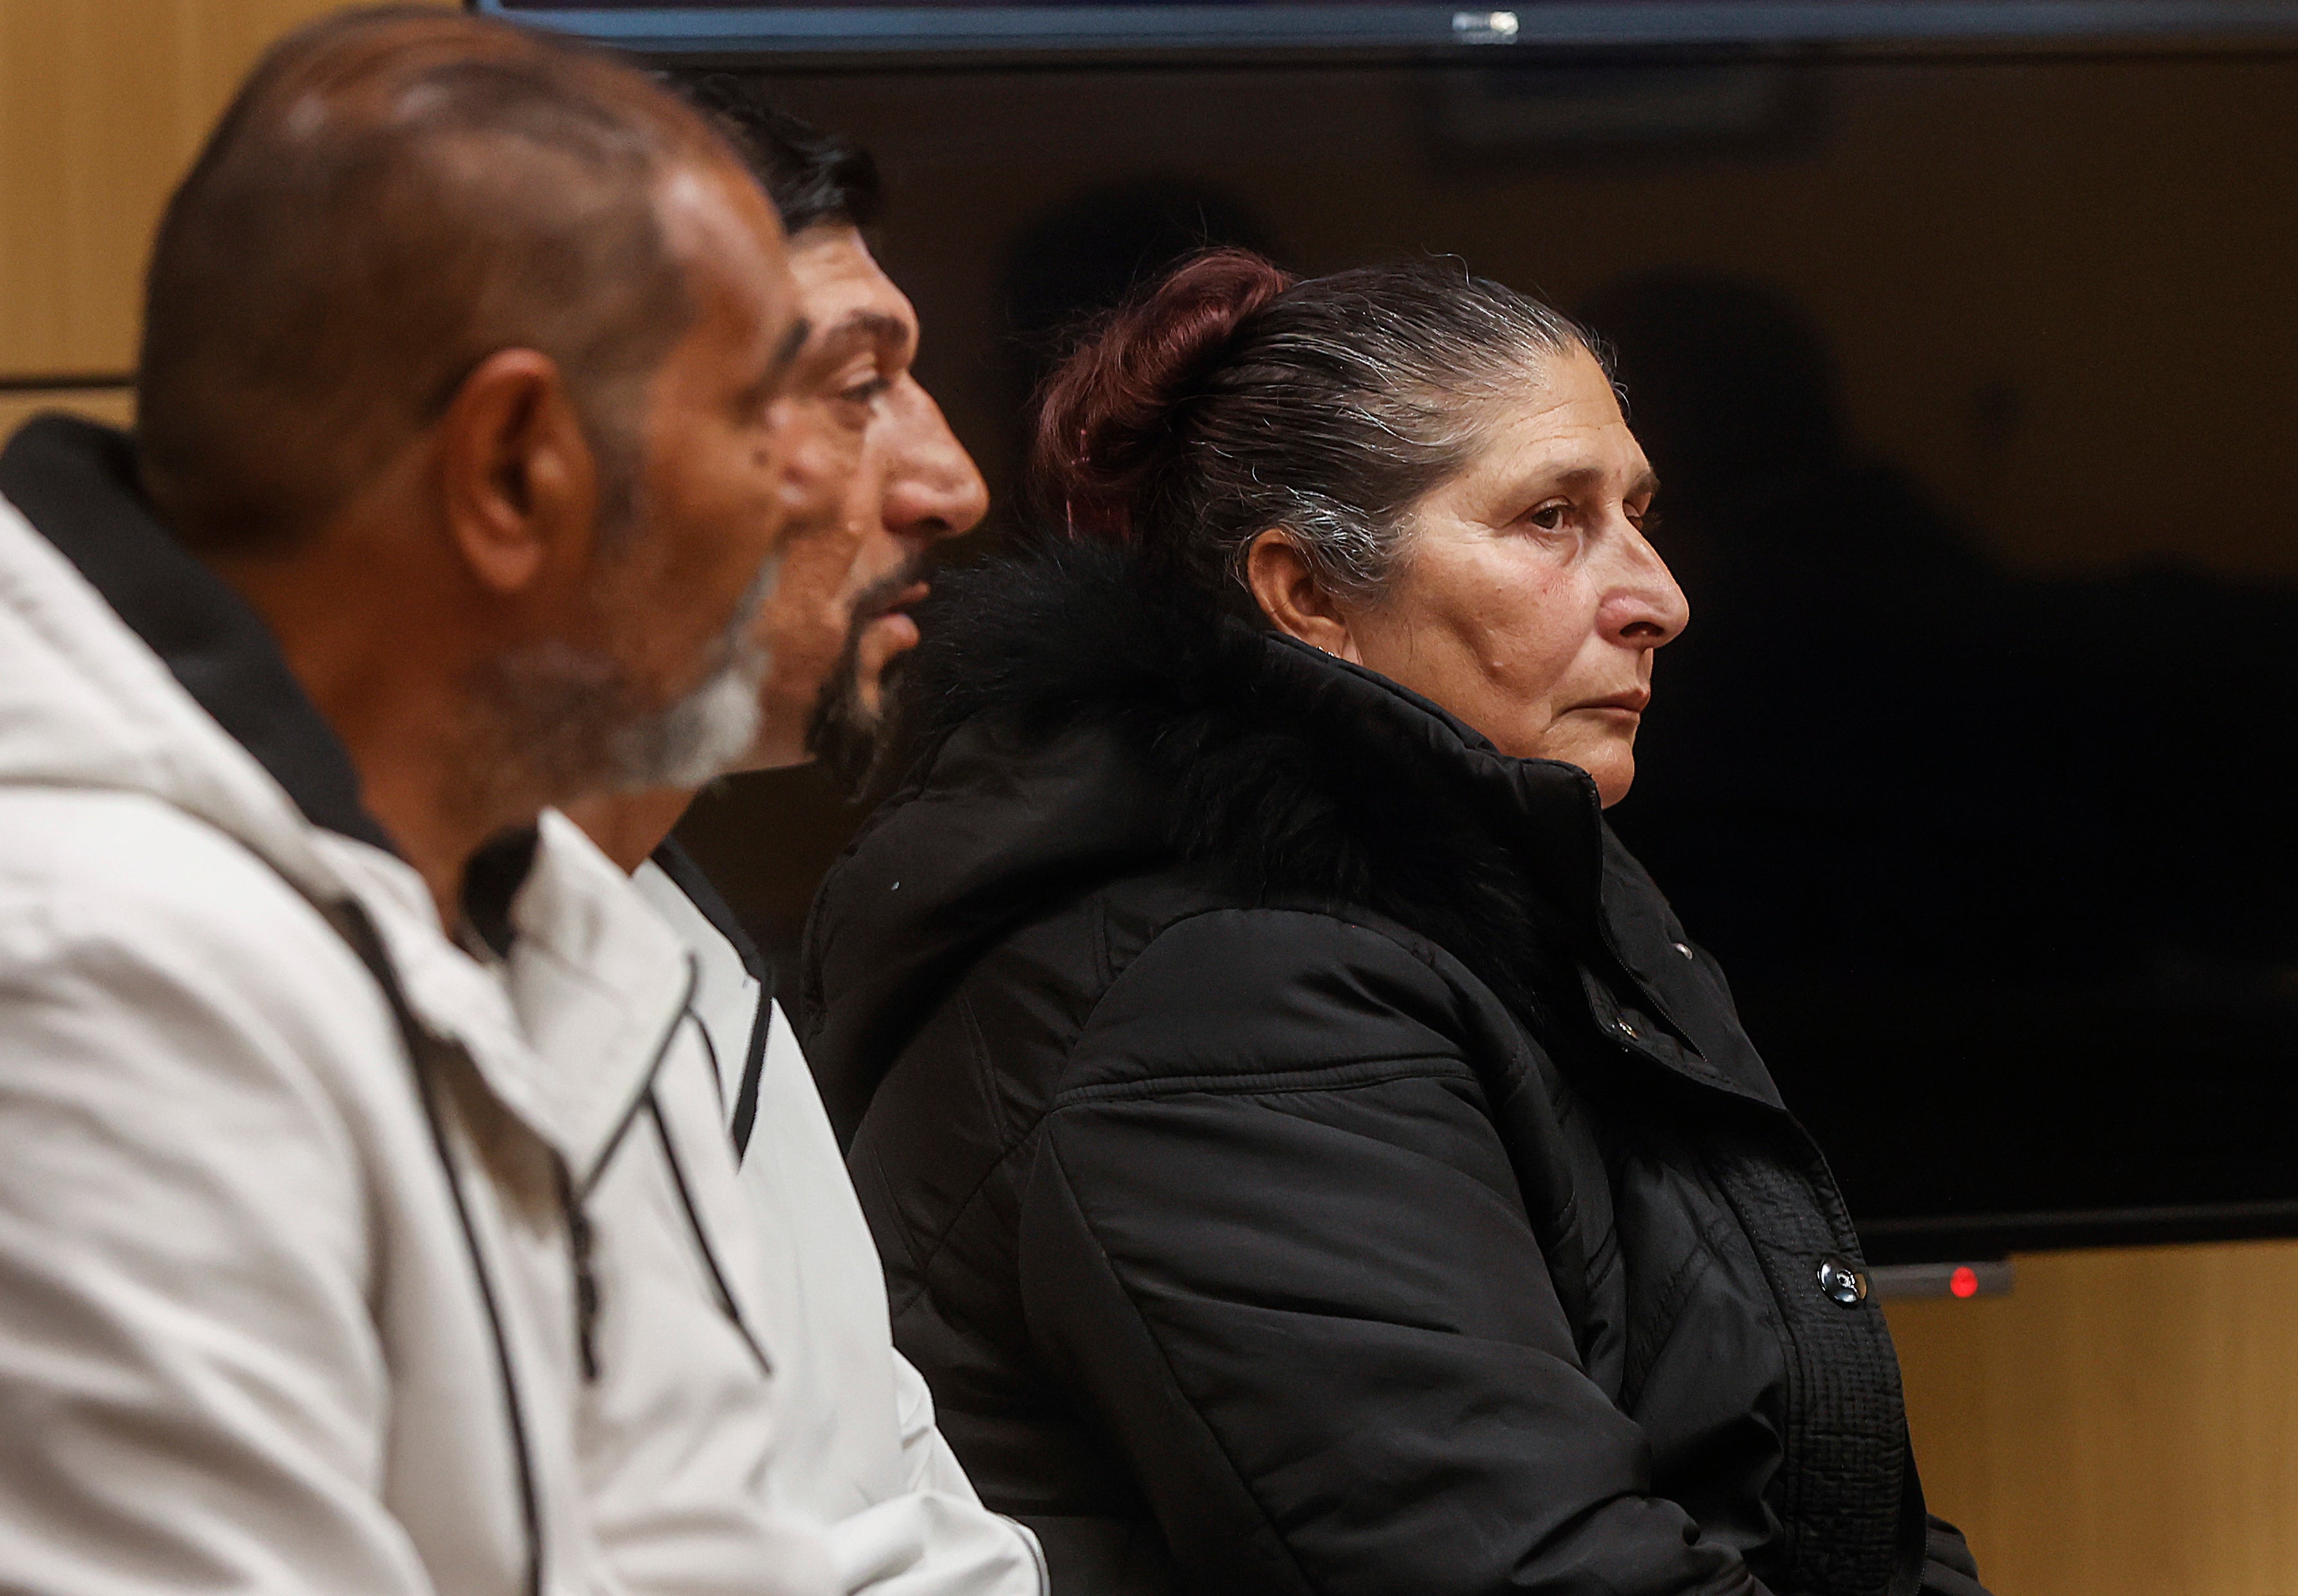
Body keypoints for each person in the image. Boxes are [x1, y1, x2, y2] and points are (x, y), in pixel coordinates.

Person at [800, 250, 1991, 1596]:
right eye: (1553, 518)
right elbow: (1523, 1570)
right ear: (1308, 597)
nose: (1661, 596)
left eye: (1639, 512)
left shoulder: (1516, 883)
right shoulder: (1226, 999)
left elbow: (1830, 1514)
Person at [0, 10, 853, 1593]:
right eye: (759, 413)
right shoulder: (88, 960)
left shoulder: (547, 907)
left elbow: (705, 1550)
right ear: (516, 467)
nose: (821, 489)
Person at [561, 83, 1034, 1596]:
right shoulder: (194, 977)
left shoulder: (689, 954)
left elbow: (927, 1515)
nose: (951, 483)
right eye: (855, 386)